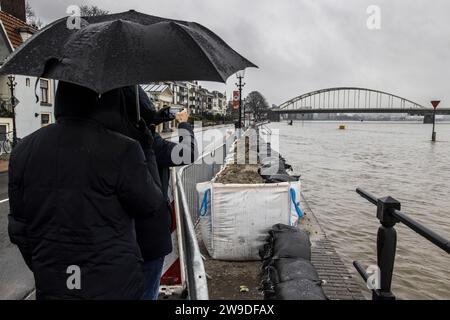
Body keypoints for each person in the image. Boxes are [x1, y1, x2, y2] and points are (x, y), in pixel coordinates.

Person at [8, 82, 166, 300]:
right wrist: (147, 149)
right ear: (95, 103)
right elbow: (151, 204)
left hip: (55, 283)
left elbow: (18, 228)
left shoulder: (22, 151)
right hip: (115, 285)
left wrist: (45, 268)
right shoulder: (123, 149)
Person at [122, 87, 196, 300]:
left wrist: (154, 120)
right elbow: (187, 153)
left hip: (111, 240)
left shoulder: (102, 139)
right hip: (149, 240)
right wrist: (183, 125)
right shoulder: (150, 143)